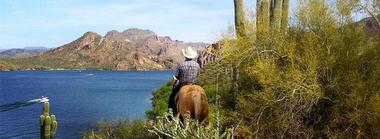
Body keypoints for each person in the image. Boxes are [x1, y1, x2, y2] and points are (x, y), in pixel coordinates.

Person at [168, 47, 200, 114]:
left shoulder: (181, 65)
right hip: (194, 84)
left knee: (171, 97)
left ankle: (170, 114)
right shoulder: (197, 65)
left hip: (182, 85)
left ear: (185, 56)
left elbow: (177, 77)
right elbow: (198, 75)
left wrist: (177, 78)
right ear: (192, 56)